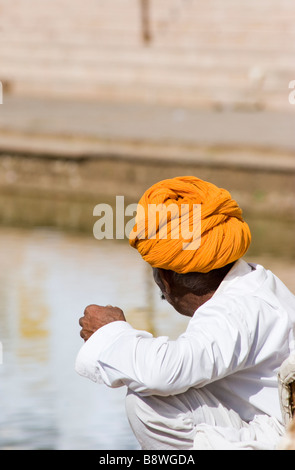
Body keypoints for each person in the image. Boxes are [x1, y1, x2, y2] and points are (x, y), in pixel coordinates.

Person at [75, 176, 295, 450]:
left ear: (165, 279)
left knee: (149, 402)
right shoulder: (253, 283)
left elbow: (164, 372)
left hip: (281, 436)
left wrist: (111, 332)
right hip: (268, 421)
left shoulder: (237, 309)